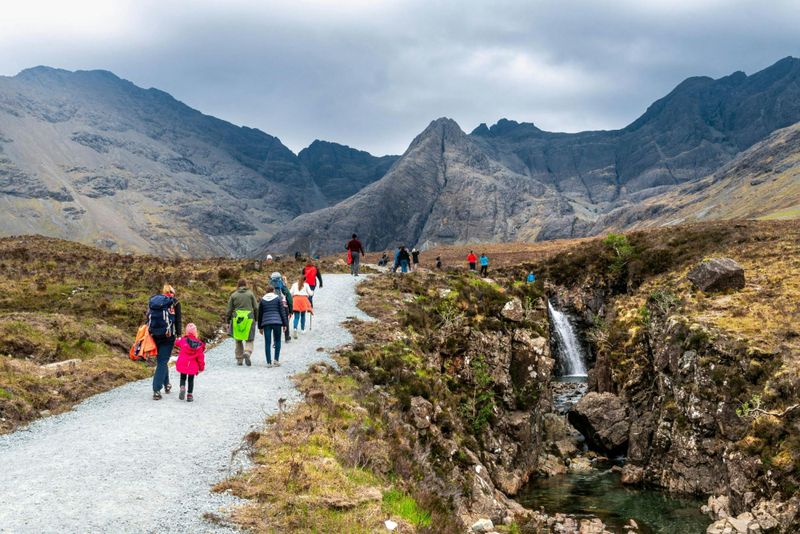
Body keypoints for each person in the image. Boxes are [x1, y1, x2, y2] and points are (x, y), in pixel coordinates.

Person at [148, 283, 182, 400]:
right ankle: (156, 390)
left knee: (162, 360)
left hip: (154, 334)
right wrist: (179, 335)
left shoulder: (154, 301)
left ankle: (167, 384)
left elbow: (148, 316)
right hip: (168, 335)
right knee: (163, 361)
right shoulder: (175, 302)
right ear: (172, 291)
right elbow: (178, 320)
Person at [257, 277, 289, 367]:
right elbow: (282, 312)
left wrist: (260, 327)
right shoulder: (278, 299)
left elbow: (260, 315)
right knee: (278, 341)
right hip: (277, 322)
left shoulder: (262, 300)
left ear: (266, 291)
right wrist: (285, 324)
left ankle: (268, 362)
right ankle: (276, 360)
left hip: (266, 323)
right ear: (273, 290)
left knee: (267, 342)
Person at [225, 279, 258, 366]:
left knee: (238, 339)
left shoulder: (233, 295)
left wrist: (227, 321)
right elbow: (256, 307)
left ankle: (239, 359)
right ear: (246, 285)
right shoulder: (250, 294)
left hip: (237, 319)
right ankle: (247, 352)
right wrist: (256, 318)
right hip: (249, 318)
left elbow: (229, 310)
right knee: (249, 339)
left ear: (238, 285)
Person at [175, 323, 205, 402]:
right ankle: (189, 395)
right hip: (193, 365)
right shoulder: (199, 344)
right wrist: (201, 368)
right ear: (196, 332)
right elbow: (200, 358)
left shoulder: (183, 340)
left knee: (183, 377)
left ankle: (182, 387)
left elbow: (176, 343)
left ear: (186, 332)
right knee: (191, 380)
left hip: (183, 363)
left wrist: (178, 339)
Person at [270, 272, 293, 343]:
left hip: (273, 307)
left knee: (275, 323)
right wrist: (291, 310)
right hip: (283, 306)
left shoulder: (270, 286)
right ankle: (287, 337)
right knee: (285, 321)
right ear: (280, 278)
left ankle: (276, 340)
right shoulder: (283, 286)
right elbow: (289, 298)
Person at [289, 274, 314, 338]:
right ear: (305, 280)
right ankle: (302, 329)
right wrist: (312, 292)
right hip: (303, 300)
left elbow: (290, 293)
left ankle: (295, 328)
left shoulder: (294, 285)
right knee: (303, 315)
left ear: (298, 279)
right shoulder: (306, 285)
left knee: (296, 317)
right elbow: (310, 293)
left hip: (296, 300)